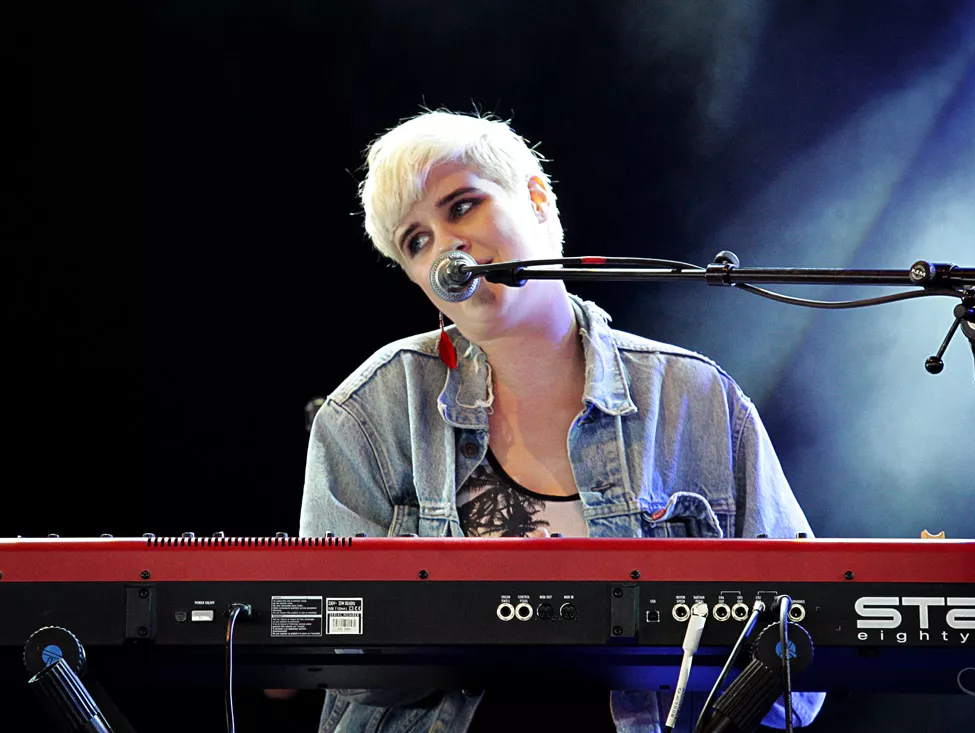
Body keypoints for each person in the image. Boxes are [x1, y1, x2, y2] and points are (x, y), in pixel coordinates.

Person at [299, 110, 825, 732]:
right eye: (416, 241)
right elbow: (340, 656)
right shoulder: (370, 412)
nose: (445, 247)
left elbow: (801, 669)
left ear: (536, 199)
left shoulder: (697, 397)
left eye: (462, 207)